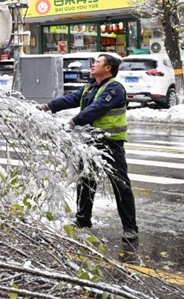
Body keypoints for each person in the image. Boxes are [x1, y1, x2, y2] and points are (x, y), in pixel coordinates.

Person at [39, 54, 139, 242]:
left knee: (120, 185)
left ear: (108, 68)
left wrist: (72, 122)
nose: (93, 65)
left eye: (97, 62)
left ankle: (130, 228)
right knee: (86, 181)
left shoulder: (114, 88)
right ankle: (83, 220)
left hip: (111, 144)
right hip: (90, 142)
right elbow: (70, 99)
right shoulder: (90, 87)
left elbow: (97, 108)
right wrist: (46, 107)